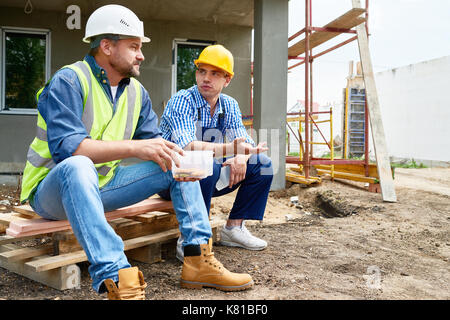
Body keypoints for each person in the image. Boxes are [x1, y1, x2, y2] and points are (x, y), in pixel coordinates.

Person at [20, 5, 266, 300]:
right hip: (52, 191)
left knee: (178, 162)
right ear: (107, 47)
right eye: (134, 46)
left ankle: (198, 259)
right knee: (78, 165)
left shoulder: (136, 92)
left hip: (105, 185)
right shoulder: (70, 81)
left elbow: (161, 147)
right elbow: (71, 150)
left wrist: (195, 158)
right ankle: (116, 277)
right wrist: (137, 147)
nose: (141, 55)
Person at [159, 45, 274, 261]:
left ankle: (234, 229)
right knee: (204, 163)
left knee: (262, 164)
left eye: (214, 73)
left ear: (227, 79)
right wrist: (233, 149)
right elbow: (187, 147)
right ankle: (192, 239)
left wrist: (241, 156)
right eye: (202, 71)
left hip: (206, 178)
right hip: (171, 179)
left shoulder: (229, 104)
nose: (206, 78)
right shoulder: (182, 100)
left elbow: (244, 140)